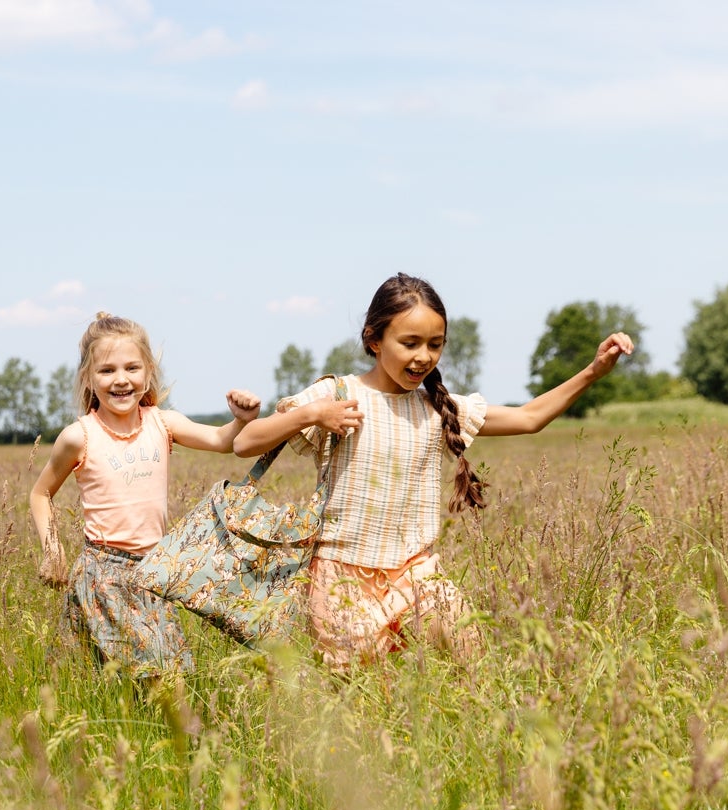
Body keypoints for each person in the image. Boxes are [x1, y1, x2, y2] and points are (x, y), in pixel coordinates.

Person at [232, 273, 633, 669]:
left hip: (415, 572)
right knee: (362, 703)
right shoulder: (337, 395)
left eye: (435, 345)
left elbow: (529, 418)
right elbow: (245, 443)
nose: (423, 356)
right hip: (340, 579)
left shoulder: (435, 408)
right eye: (409, 343)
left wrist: (593, 372)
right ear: (374, 340)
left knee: (473, 663)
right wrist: (314, 413)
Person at [31, 312, 261, 677]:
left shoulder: (162, 423)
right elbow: (41, 494)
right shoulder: (79, 437)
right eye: (107, 371)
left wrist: (240, 420)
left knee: (169, 677)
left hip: (153, 573)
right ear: (89, 378)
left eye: (132, 368)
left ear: (148, 372)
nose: (121, 380)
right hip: (101, 574)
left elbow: (221, 441)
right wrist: (52, 547)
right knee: (99, 679)